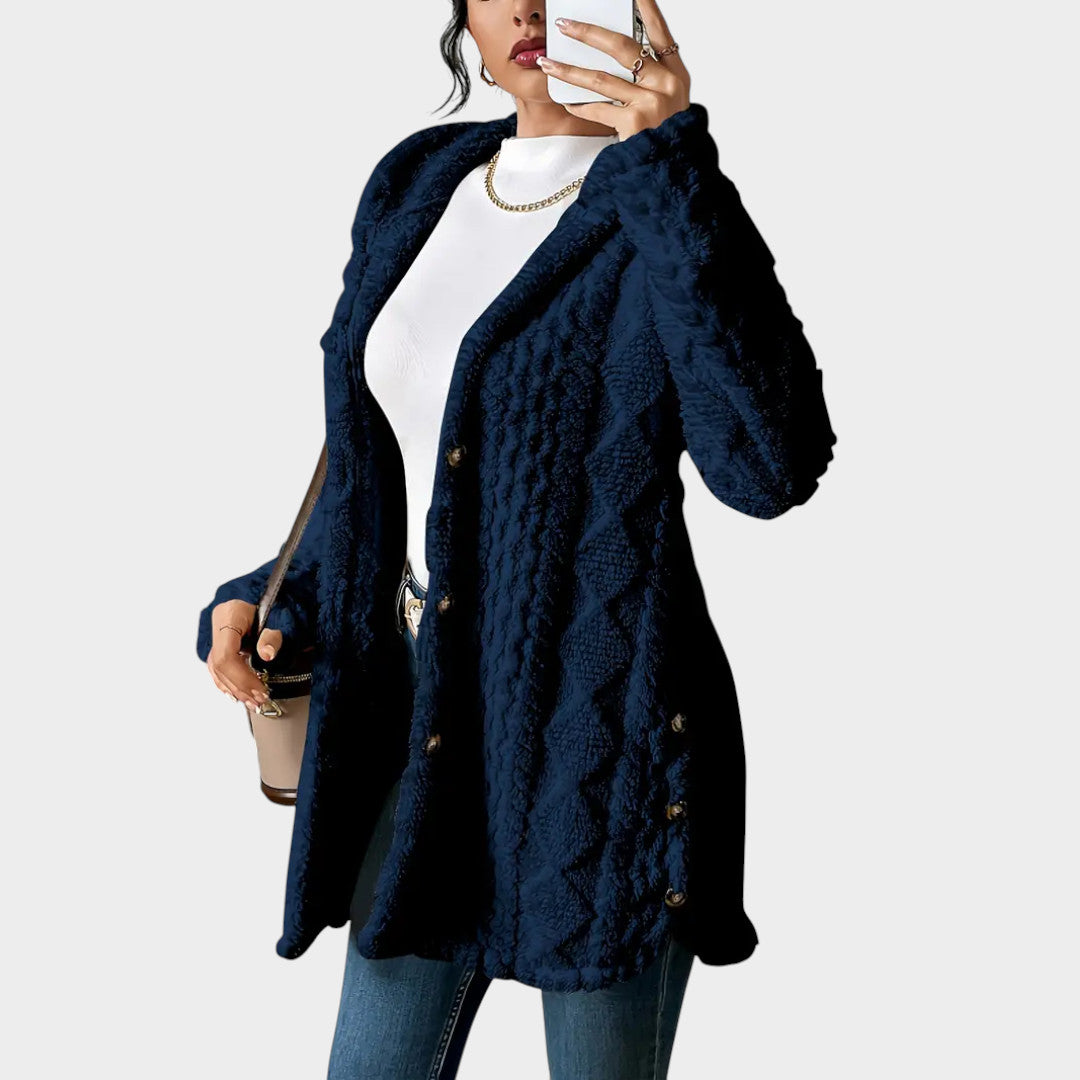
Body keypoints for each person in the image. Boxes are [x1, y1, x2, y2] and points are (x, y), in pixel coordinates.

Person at [196, 2, 838, 1076]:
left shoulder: (661, 204)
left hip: (606, 741)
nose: (530, 6)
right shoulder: (417, 183)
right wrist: (275, 591)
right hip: (422, 730)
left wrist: (672, 170)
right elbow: (378, 459)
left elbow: (771, 470)